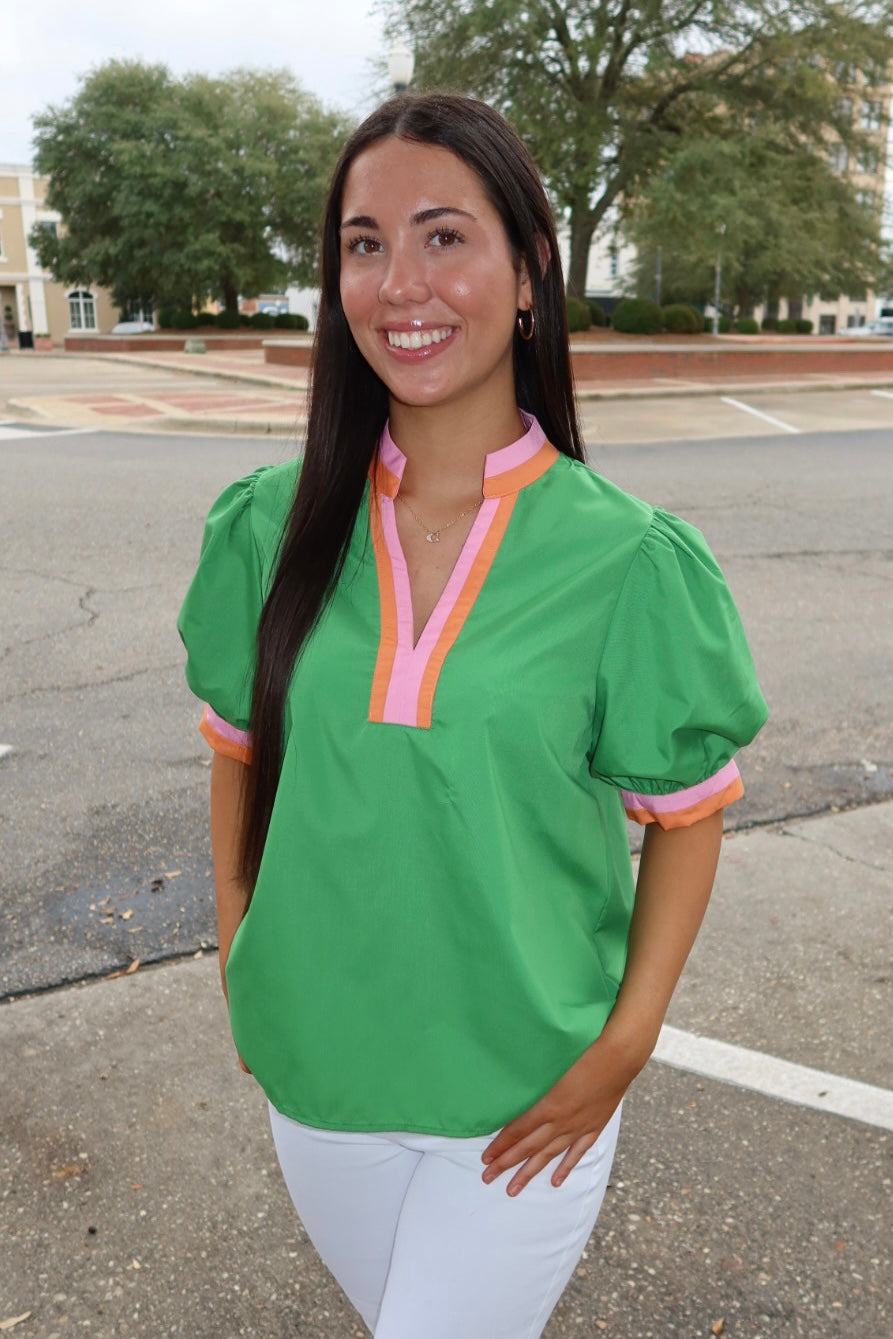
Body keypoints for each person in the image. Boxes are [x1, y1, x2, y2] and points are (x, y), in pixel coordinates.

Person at [178, 93, 768, 1339]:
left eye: (444, 236)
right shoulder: (266, 528)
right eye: (363, 242)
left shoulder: (629, 561)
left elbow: (688, 812)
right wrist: (240, 952)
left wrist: (624, 1043)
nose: (401, 283)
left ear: (527, 273)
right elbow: (238, 751)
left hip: (523, 1092)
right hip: (318, 1071)